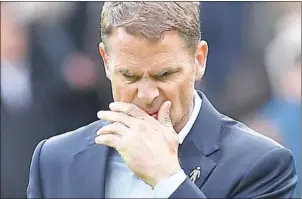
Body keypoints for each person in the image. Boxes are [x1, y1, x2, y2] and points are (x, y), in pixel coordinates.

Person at [27, 2, 297, 198]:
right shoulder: (54, 160)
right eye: (129, 76)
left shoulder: (261, 164)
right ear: (106, 62)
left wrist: (169, 180)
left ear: (199, 60)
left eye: (164, 74)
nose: (146, 95)